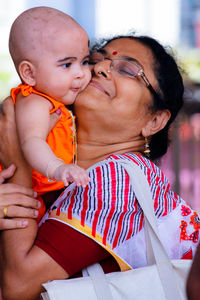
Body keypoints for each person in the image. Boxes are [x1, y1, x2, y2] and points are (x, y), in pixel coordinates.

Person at [0, 34, 199, 300]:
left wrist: (18, 156)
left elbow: (17, 287)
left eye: (128, 69)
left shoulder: (120, 177)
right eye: (92, 60)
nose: (99, 68)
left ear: (154, 121)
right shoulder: (58, 176)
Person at [4, 7, 90, 214]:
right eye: (67, 65)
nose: (80, 73)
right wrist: (57, 168)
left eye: (85, 61)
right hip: (27, 190)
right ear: (29, 73)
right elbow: (32, 141)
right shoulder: (34, 102)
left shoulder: (52, 99)